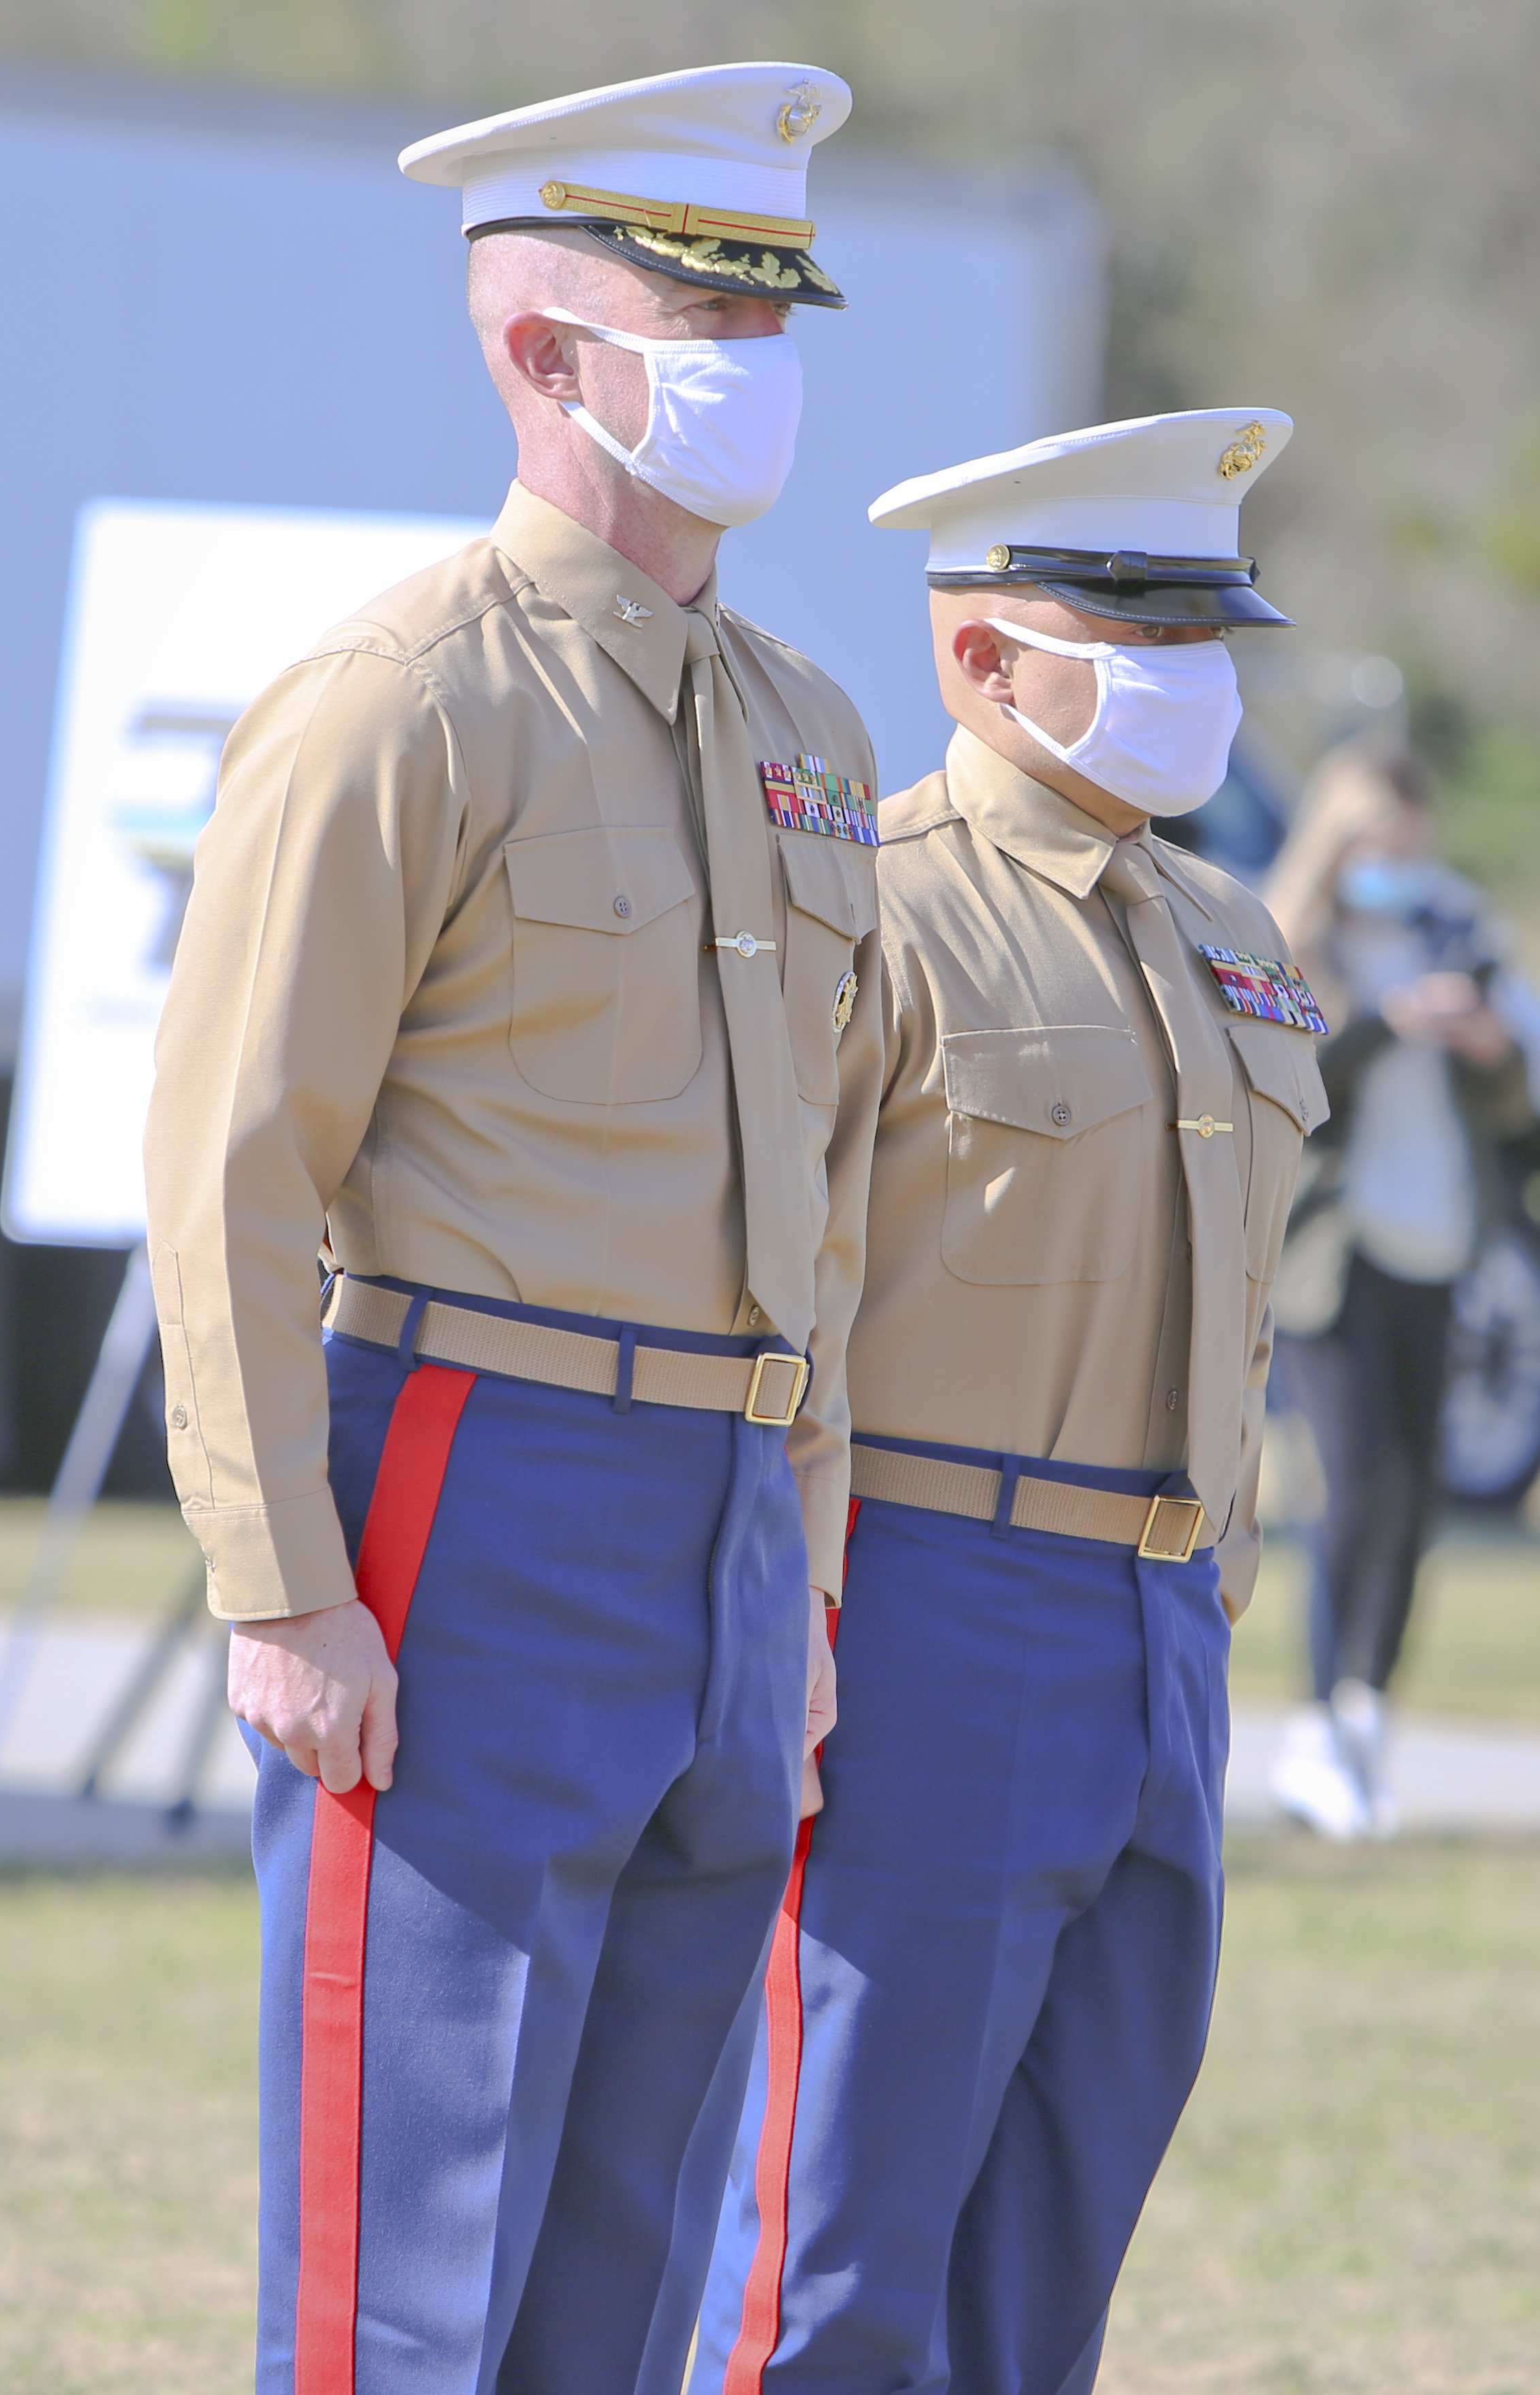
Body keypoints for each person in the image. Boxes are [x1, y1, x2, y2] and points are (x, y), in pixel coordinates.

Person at [142, 63, 883, 2395]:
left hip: (729, 1525)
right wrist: (281, 1584)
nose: (753, 373)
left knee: (630, 2258)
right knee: (416, 2255)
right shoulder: (397, 705)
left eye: (773, 318)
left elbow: (829, 1193)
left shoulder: (811, 728)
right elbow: (235, 1167)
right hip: (477, 1482)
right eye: (698, 316)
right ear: (540, 352)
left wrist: (810, 1569)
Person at [693, 411, 1328, 2395]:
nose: (1191, 682)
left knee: (1051, 2251)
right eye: (1135, 631)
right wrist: (785, 1610)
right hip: (920, 1610)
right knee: (831, 2254)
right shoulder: (869, 904)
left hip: (1158, 1626)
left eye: (1204, 630)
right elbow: (761, 1296)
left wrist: (1208, 1576)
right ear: (978, 656)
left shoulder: (1231, 938)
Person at [1264, 739, 1532, 1838]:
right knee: (1357, 1491)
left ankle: (1361, 1721)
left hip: (1439, 1247)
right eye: (1373, 839)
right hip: (1333, 1261)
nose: (1393, 859)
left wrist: (1484, 1044)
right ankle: (1321, 1724)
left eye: (1407, 841)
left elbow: (1516, 1105)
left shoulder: (1457, 933)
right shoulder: (1296, 938)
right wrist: (1384, 1025)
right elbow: (1291, 1084)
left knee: (1414, 1501)